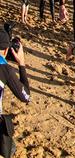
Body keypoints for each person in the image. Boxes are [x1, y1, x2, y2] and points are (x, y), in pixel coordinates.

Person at [0, 26, 30, 158]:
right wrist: (21, 64)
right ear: (6, 50)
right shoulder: (5, 69)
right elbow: (26, 96)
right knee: (10, 147)